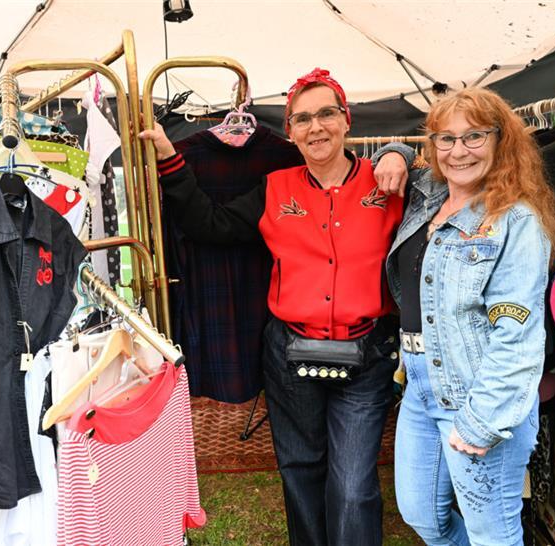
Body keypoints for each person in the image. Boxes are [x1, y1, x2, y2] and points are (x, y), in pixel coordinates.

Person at [140, 68, 403, 545]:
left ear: (347, 120)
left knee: (353, 485)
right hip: (289, 355)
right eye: (302, 119)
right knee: (300, 469)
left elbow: (448, 175)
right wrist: (168, 159)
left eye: (326, 114)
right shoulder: (275, 187)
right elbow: (211, 225)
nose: (316, 127)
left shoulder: (385, 182)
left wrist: (399, 151)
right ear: (290, 132)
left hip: (365, 354)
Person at [372, 87, 555, 545]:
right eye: (447, 138)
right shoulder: (429, 196)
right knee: (422, 516)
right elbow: (399, 157)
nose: (459, 151)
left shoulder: (516, 220)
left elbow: (517, 334)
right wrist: (394, 151)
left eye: (474, 136)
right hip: (419, 384)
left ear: (501, 140)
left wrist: (483, 419)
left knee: (492, 533)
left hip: (476, 389)